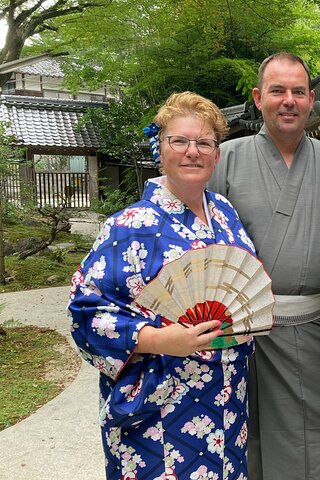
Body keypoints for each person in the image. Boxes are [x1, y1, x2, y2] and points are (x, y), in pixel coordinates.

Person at [68, 91, 257, 479]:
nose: (193, 152)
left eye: (204, 142)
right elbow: (87, 314)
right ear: (160, 148)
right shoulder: (128, 226)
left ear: (216, 154)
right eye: (180, 141)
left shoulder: (225, 212)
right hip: (161, 398)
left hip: (226, 396)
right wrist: (158, 339)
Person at [208, 52, 320, 479]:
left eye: (298, 91)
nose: (289, 100)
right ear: (259, 98)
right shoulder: (224, 160)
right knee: (254, 435)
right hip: (247, 332)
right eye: (278, 91)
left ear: (312, 99)